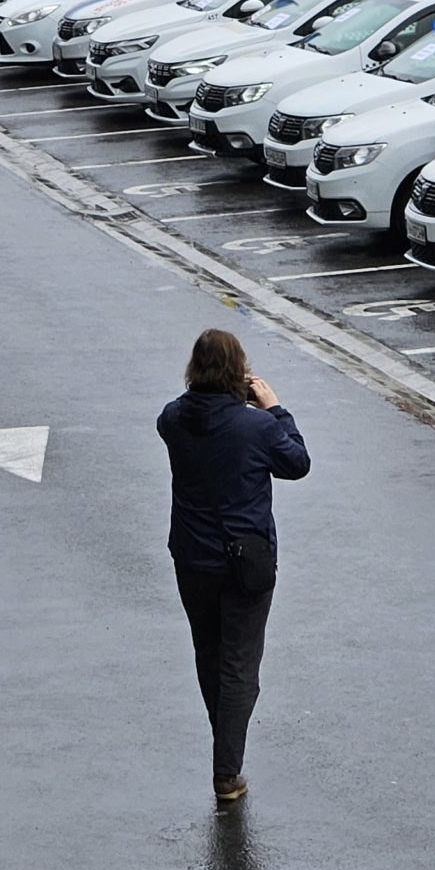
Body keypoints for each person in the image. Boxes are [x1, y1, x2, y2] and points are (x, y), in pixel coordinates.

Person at [157, 329, 310, 804]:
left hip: (192, 560)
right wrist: (274, 406)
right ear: (239, 374)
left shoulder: (173, 420)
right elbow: (297, 463)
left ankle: (223, 745)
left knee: (209, 654)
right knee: (241, 666)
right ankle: (227, 771)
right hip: (247, 564)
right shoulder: (257, 427)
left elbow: (186, 412)